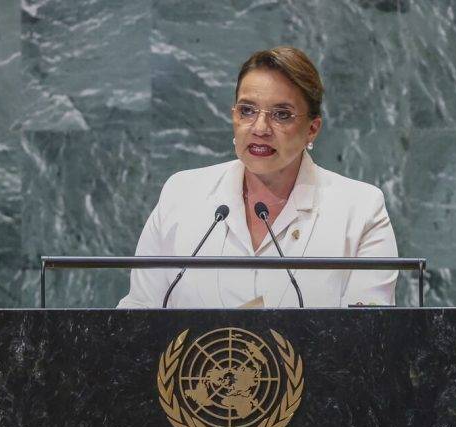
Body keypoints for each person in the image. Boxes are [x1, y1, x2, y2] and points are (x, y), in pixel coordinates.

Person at [118, 46, 398, 308]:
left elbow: (370, 334)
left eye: (282, 115)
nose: (260, 128)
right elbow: (138, 314)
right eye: (247, 111)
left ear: (312, 129)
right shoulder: (181, 194)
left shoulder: (360, 210)